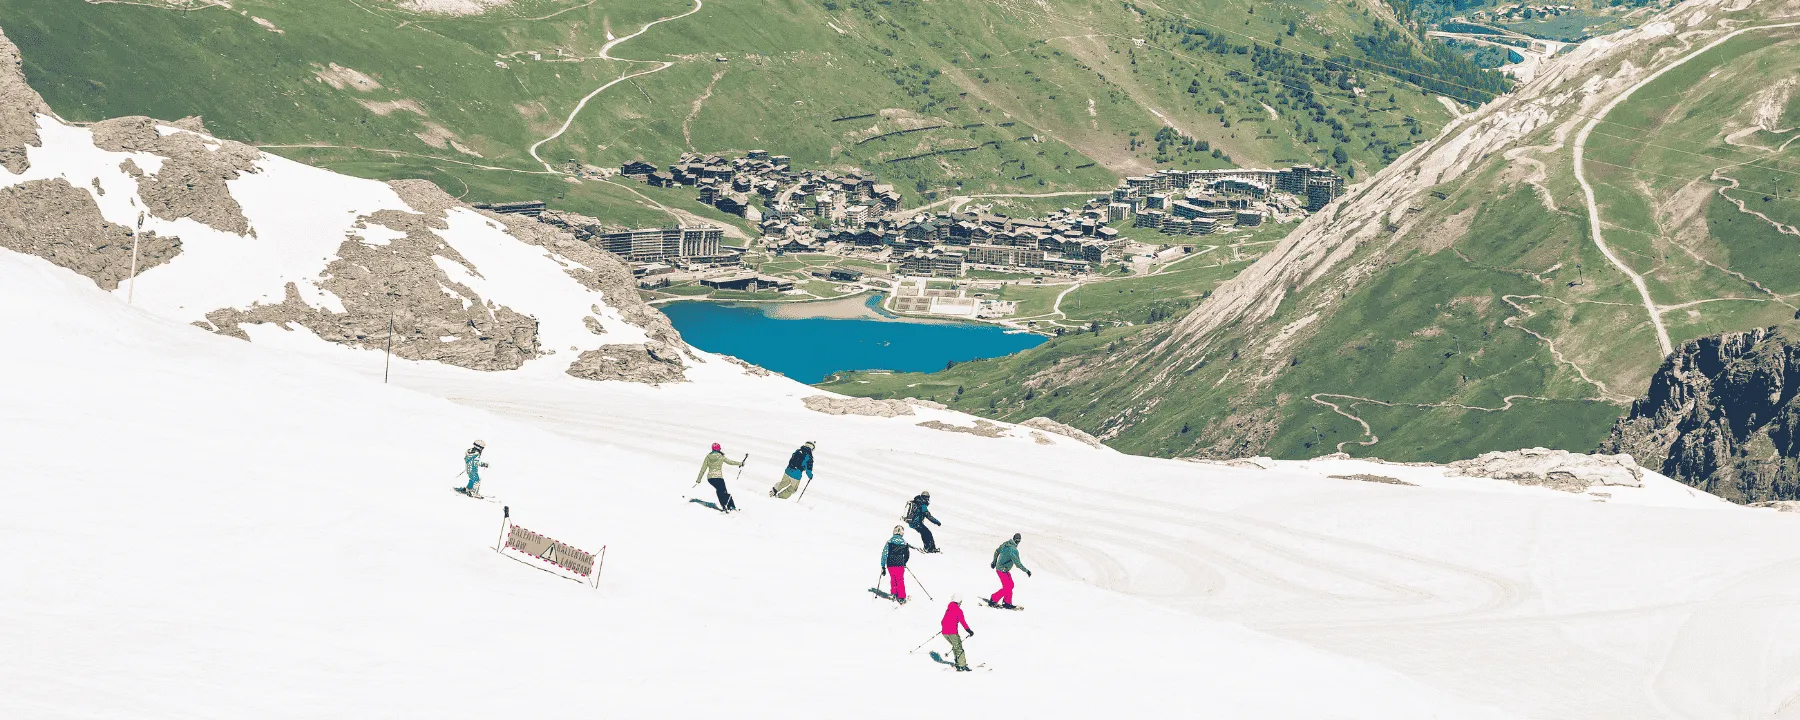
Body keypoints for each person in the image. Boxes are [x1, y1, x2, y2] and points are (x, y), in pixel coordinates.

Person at [694, 443, 744, 512]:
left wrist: (698, 479)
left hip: (710, 478)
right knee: (724, 492)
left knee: (720, 491)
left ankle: (724, 506)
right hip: (718, 477)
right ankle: (731, 506)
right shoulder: (720, 456)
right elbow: (730, 462)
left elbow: (703, 469)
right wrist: (740, 463)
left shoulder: (708, 457)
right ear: (719, 449)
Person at [988, 533, 1032, 608]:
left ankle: (1007, 602)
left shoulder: (1006, 544)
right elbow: (1018, 564)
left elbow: (996, 551)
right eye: (1017, 540)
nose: (1018, 542)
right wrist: (1026, 571)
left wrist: (994, 562)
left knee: (1010, 585)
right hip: (1002, 570)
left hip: (1003, 569)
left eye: (1018, 540)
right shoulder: (1013, 550)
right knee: (1007, 587)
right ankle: (994, 599)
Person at [941, 595, 975, 671]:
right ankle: (962, 665)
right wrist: (969, 631)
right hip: (952, 632)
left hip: (944, 633)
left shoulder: (948, 609)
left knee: (955, 646)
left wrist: (945, 627)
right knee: (959, 648)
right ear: (959, 602)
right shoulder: (958, 610)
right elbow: (963, 622)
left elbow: (943, 621)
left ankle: (957, 662)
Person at [880, 525, 912, 602]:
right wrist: (904, 562)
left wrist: (883, 566)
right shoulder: (904, 543)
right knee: (900, 579)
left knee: (893, 578)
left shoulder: (889, 542)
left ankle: (894, 593)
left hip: (890, 564)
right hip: (899, 564)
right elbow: (907, 555)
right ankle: (901, 597)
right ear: (902, 533)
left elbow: (884, 554)